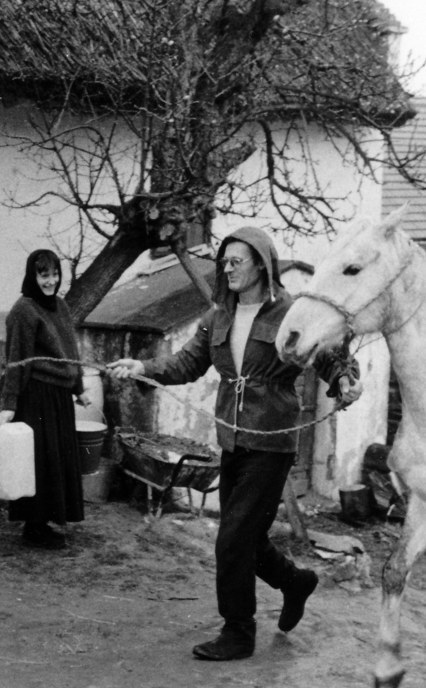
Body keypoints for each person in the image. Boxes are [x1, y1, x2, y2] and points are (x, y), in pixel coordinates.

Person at [107, 227, 361, 660]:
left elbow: (328, 355)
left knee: (232, 538)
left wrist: (344, 380)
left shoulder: (290, 312)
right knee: (247, 537)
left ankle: (239, 632)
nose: (226, 269)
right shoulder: (218, 316)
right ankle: (296, 582)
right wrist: (141, 366)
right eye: (224, 262)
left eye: (235, 261)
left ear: (261, 264)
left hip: (272, 441)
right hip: (232, 439)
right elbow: (185, 363)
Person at [0, 249, 90, 549]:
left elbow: (69, 351)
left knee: (57, 458)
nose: (51, 281)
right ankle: (34, 527)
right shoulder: (23, 311)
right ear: (32, 276)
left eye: (54, 274)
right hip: (37, 397)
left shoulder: (59, 305)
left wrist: (79, 387)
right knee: (40, 461)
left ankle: (49, 520)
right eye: (43, 274)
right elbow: (16, 360)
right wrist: (9, 405)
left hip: (59, 397)